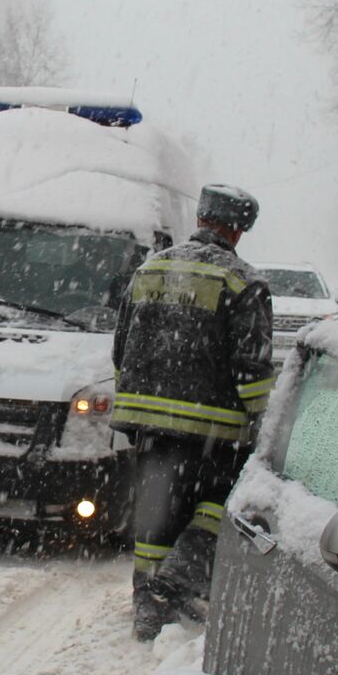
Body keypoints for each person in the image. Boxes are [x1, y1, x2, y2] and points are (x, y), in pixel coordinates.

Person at [110, 184, 274, 642]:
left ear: (201, 216)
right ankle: (177, 582)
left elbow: (121, 349)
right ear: (239, 229)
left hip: (147, 424)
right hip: (213, 431)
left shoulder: (148, 269)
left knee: (155, 516)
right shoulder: (243, 280)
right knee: (217, 507)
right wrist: (267, 429)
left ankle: (147, 604)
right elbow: (253, 370)